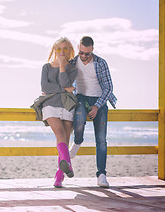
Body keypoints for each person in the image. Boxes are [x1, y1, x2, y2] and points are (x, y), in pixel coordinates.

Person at [69, 36, 117, 188]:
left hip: (99, 100)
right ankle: (77, 143)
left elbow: (109, 88)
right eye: (81, 52)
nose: (84, 56)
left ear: (93, 50)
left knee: (101, 139)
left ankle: (101, 175)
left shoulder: (101, 63)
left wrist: (96, 106)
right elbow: (65, 81)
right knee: (79, 117)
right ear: (78, 48)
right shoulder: (72, 63)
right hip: (81, 97)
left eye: (87, 54)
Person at [40, 37, 78, 188]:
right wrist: (65, 90)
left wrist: (62, 66)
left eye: (65, 49)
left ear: (69, 51)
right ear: (54, 50)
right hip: (50, 105)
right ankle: (67, 164)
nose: (62, 52)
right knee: (60, 135)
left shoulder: (73, 69)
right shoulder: (46, 67)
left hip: (67, 105)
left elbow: (65, 83)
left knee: (66, 139)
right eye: (59, 49)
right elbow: (45, 87)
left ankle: (59, 177)